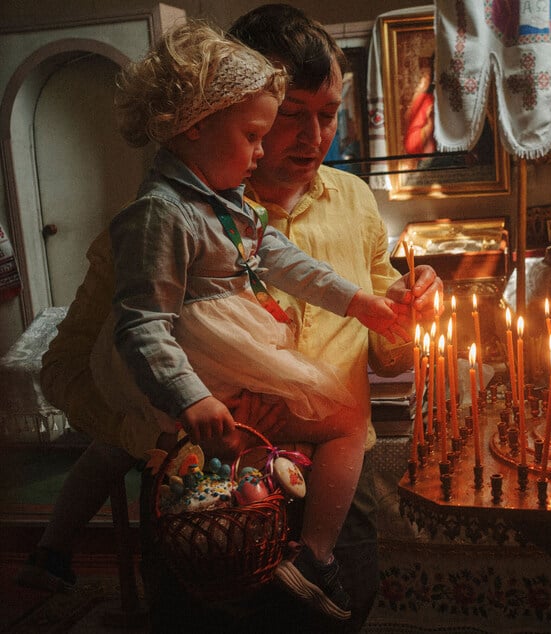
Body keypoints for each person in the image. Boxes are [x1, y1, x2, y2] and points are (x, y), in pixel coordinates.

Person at [20, 6, 441, 630]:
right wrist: (172, 425)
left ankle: (317, 558)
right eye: (290, 114)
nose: (315, 136)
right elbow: (64, 369)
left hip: (333, 489)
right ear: (215, 113)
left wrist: (405, 308)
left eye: (329, 114)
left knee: (342, 615)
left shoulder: (351, 199)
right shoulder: (153, 223)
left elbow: (384, 347)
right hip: (201, 487)